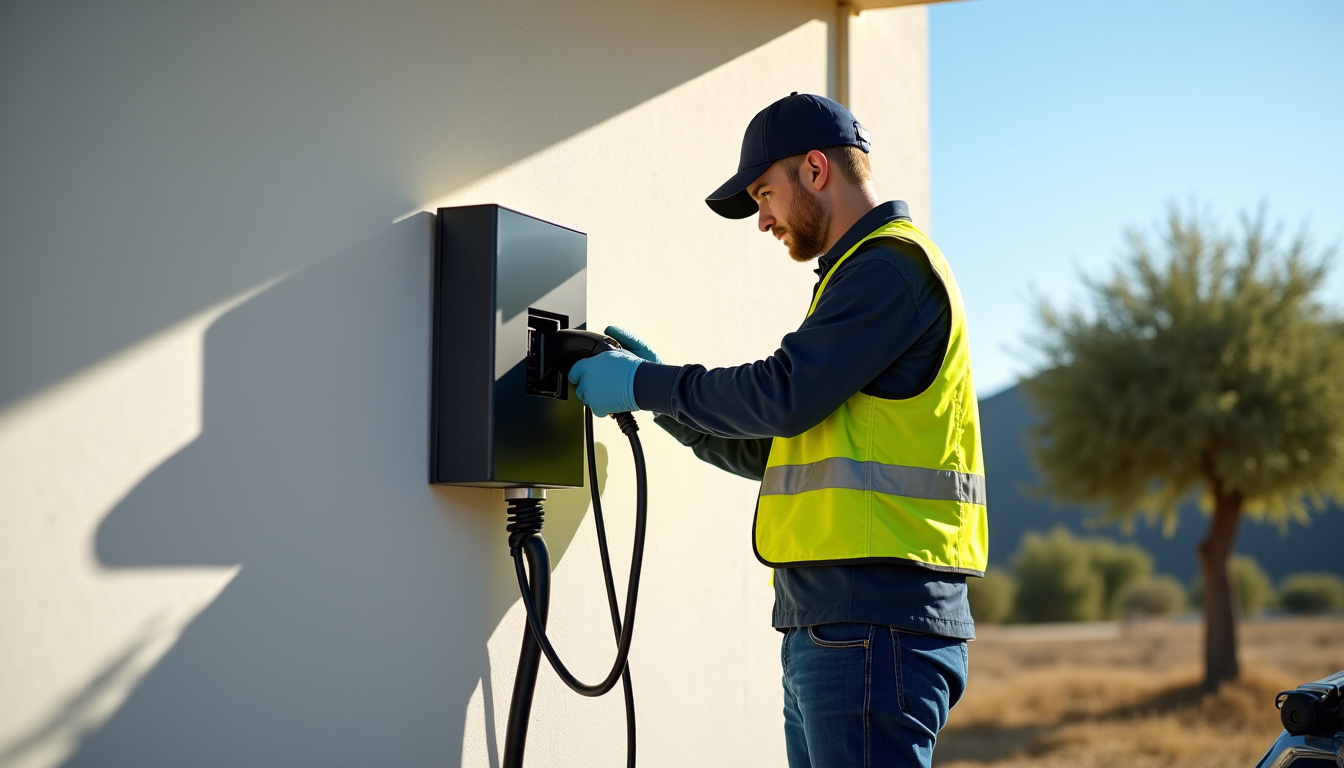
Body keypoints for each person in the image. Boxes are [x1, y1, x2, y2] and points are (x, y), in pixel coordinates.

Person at [568, 92, 986, 768]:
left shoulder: (888, 269)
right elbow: (774, 446)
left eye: (765, 194)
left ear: (816, 170)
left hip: (871, 629)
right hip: (835, 628)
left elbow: (782, 393)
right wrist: (660, 402)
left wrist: (648, 383)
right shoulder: (857, 278)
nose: (762, 221)